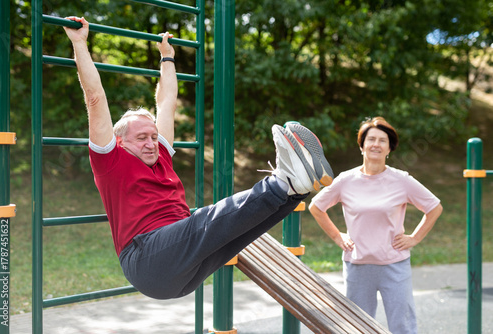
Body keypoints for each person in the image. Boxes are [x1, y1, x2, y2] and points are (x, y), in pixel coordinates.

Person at [63, 16, 334, 300]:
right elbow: (95, 98)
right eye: (142, 138)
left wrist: (167, 59)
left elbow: (166, 102)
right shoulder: (110, 161)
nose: (151, 143)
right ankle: (282, 181)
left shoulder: (161, 156)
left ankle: (293, 191)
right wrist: (80, 43)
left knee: (240, 233)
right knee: (205, 220)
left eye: (154, 136)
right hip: (147, 259)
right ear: (121, 142)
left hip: (184, 270)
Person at [309, 117, 443, 334]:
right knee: (356, 328)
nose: (376, 145)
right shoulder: (346, 180)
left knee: (403, 327)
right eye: (371, 139)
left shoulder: (402, 180)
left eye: (382, 141)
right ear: (362, 146)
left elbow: (434, 207)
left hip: (394, 265)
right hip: (358, 265)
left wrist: (415, 238)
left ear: (389, 148)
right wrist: (337, 236)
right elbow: (316, 207)